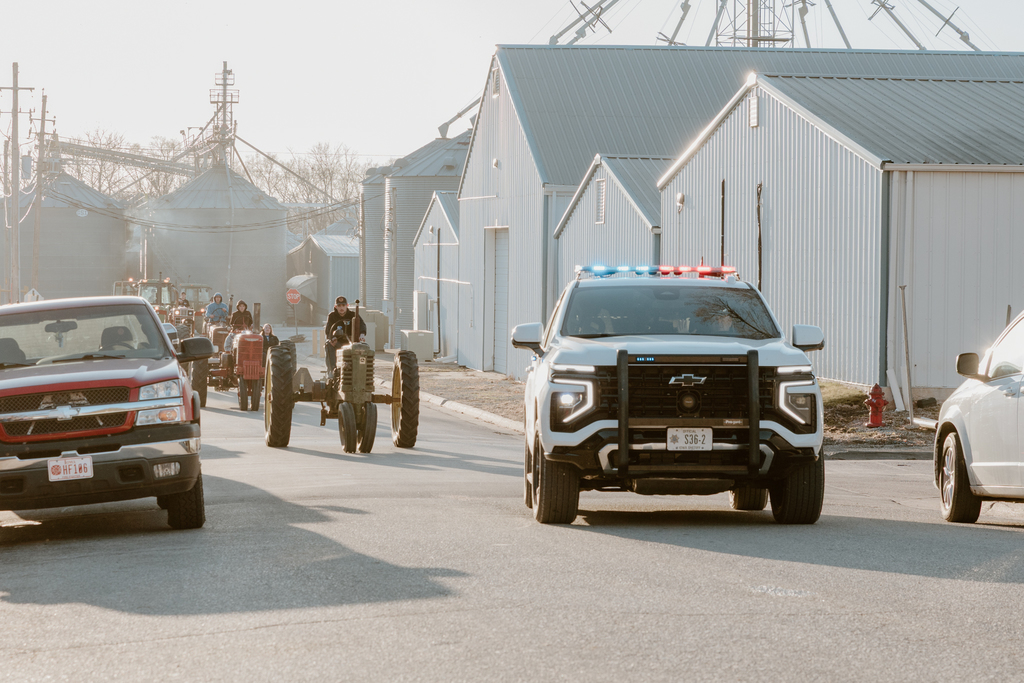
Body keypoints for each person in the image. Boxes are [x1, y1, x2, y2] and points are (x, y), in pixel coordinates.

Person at [324, 296, 366, 371]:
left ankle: (359, 371)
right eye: (339, 306)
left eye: (343, 305)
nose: (341, 308)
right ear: (335, 306)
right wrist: (332, 338)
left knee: (363, 347)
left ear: (347, 305)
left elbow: (362, 325)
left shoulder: (353, 315)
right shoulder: (332, 316)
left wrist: (362, 334)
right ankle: (332, 370)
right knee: (328, 344)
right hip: (338, 342)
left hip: (351, 343)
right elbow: (328, 330)